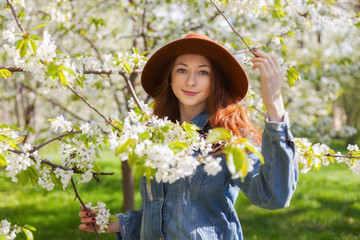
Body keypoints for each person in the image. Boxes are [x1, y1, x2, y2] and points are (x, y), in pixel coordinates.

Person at [78, 33, 298, 240]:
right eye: (182, 70)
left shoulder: (228, 137)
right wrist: (117, 224)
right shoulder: (158, 135)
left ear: (215, 81)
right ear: (171, 78)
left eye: (203, 72)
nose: (191, 81)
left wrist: (275, 107)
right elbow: (160, 211)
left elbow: (273, 196)